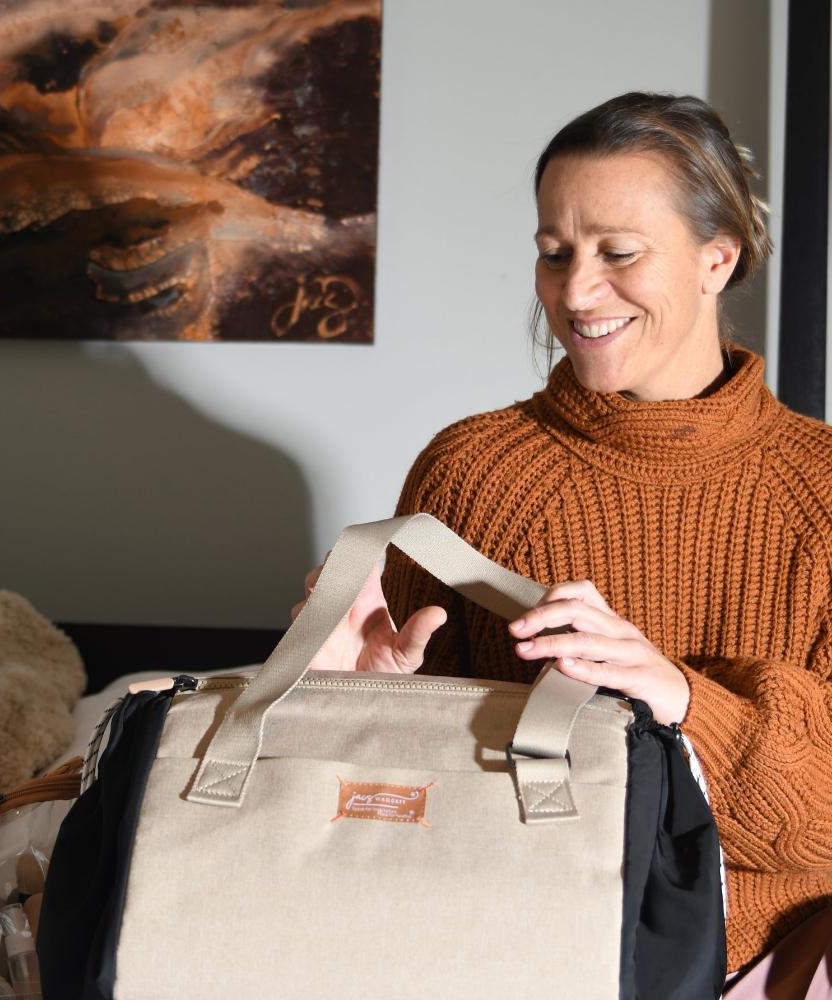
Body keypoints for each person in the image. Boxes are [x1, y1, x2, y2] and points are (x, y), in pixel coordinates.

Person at [293, 93, 832, 990]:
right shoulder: (471, 471)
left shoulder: (822, 490)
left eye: (619, 253)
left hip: (778, 960)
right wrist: (356, 701)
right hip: (516, 939)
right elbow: (392, 816)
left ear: (717, 258)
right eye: (555, 254)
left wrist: (680, 697)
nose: (576, 293)